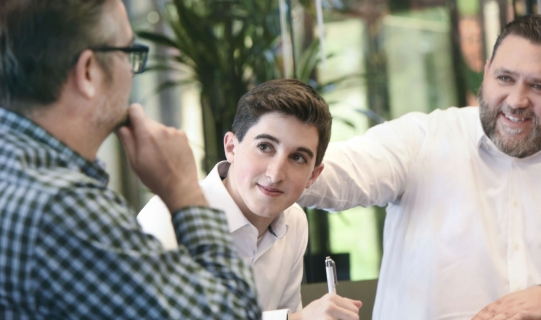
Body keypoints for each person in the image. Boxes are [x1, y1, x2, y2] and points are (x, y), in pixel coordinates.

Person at [0, 0, 261, 318]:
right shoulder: (62, 205)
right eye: (128, 53)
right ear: (88, 71)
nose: (131, 73)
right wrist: (184, 191)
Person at [298, 15, 541, 320]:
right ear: (486, 71)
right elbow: (339, 172)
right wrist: (266, 166)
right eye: (505, 78)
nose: (517, 100)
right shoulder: (424, 139)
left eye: (537, 86)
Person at [138, 79, 362, 320]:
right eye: (265, 146)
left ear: (313, 175)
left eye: (297, 157)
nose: (276, 174)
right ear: (231, 147)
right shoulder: (167, 215)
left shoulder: (294, 222)